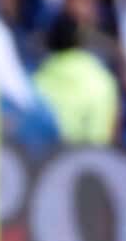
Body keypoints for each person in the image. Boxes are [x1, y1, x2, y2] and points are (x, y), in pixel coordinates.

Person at [33, 13, 119, 144]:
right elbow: (107, 130)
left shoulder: (36, 79)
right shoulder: (101, 78)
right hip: (91, 153)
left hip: (45, 152)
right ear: (81, 42)